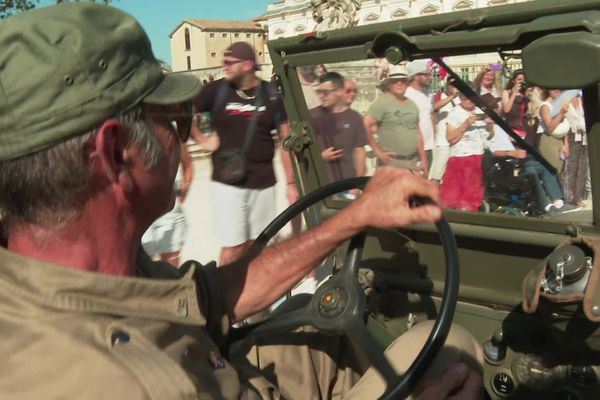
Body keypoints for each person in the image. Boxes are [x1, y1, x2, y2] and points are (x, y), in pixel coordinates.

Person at [0, 4, 484, 399]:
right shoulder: (110, 382)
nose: (177, 139)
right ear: (116, 155)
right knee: (453, 348)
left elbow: (205, 298)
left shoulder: (92, 269)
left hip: (231, 364)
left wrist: (354, 216)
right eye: (172, 121)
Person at [193, 42, 299, 265]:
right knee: (232, 247)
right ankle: (225, 295)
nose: (225, 66)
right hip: (227, 182)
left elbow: (284, 141)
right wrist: (202, 139)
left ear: (248, 65)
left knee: (258, 245)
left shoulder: (271, 94)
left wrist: (290, 184)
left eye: (231, 63)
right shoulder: (217, 90)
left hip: (264, 183)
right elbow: (182, 111)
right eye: (225, 62)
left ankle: (255, 294)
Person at [364, 64, 428, 173]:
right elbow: (365, 125)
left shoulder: (412, 104)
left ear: (407, 84)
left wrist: (424, 158)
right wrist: (378, 151)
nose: (400, 83)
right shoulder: (382, 102)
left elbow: (417, 133)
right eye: (395, 80)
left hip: (411, 161)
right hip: (390, 162)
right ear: (389, 84)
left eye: (403, 80)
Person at [440, 90, 495, 212]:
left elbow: (489, 136)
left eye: (472, 97)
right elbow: (450, 138)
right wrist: (465, 124)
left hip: (478, 158)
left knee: (472, 198)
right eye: (465, 97)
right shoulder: (455, 113)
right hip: (461, 158)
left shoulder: (480, 111)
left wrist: (490, 126)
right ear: (460, 97)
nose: (469, 100)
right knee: (454, 197)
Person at [141, 142, 193, 267]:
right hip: (140, 211)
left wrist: (183, 191)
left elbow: (188, 166)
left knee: (171, 272)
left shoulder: (172, 133)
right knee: (140, 270)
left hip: (169, 210)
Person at [310, 72, 367, 184]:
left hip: (347, 184)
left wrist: (357, 184)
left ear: (340, 91)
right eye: (319, 92)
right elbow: (300, 154)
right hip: (320, 185)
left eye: (325, 92)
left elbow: (360, 151)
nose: (321, 96)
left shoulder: (355, 117)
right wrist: (320, 157)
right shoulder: (311, 116)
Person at [430, 77, 460, 183]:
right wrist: (452, 97)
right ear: (447, 85)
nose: (454, 87)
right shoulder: (440, 96)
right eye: (452, 84)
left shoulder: (462, 99)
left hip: (457, 142)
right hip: (443, 142)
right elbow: (434, 107)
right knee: (437, 174)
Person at [406, 60, 436, 165]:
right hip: (413, 149)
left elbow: (431, 114)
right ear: (416, 76)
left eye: (430, 74)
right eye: (427, 74)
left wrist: (434, 135)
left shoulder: (427, 93)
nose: (430, 77)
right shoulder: (407, 95)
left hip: (428, 146)